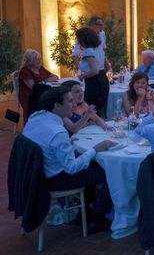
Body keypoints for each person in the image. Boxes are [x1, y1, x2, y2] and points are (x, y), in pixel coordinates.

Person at [23, 86, 115, 231]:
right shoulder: (58, 132)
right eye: (70, 101)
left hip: (34, 175)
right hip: (54, 179)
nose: (73, 105)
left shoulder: (35, 118)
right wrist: (95, 149)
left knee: (91, 165)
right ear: (57, 106)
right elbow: (71, 168)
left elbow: (46, 144)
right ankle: (98, 217)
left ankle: (86, 210)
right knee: (108, 170)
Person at [77, 26, 110, 118]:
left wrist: (82, 76)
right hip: (103, 79)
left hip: (94, 82)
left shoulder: (88, 52)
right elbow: (107, 67)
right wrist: (101, 74)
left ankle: (93, 127)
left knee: (92, 108)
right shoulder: (99, 49)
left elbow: (94, 71)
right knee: (101, 107)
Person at [18, 48, 58, 122]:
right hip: (30, 96)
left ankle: (49, 123)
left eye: (39, 59)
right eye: (37, 59)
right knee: (52, 101)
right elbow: (33, 87)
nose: (40, 61)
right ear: (30, 61)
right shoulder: (25, 71)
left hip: (43, 92)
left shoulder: (40, 68)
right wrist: (45, 81)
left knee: (57, 100)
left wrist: (46, 80)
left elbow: (55, 77)